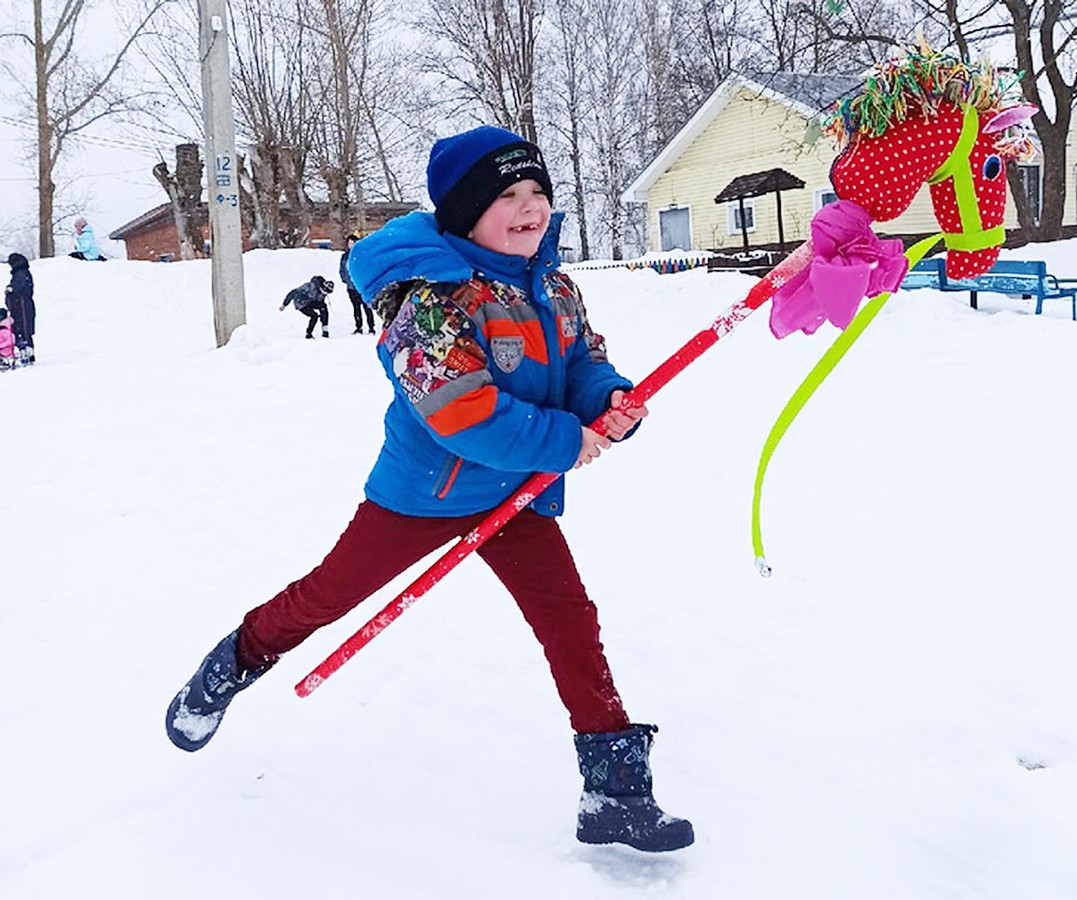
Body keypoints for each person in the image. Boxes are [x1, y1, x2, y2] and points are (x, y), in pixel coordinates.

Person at [165, 125, 693, 853]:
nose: (529, 208)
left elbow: (582, 363)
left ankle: (614, 789)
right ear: (465, 211)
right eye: (507, 195)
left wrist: (607, 402)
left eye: (537, 192)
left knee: (571, 619)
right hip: (424, 496)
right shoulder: (429, 303)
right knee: (327, 596)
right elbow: (462, 413)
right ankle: (237, 658)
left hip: (516, 495)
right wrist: (570, 440)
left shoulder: (551, 282)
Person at [339, 233, 375, 335]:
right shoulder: (345, 256)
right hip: (351, 287)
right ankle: (358, 327)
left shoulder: (363, 255)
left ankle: (371, 327)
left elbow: (368, 269)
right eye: (349, 243)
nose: (351, 245)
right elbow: (342, 270)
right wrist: (345, 279)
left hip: (363, 286)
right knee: (356, 308)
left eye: (353, 243)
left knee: (367, 307)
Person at [5, 253, 35, 366]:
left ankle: (25, 350)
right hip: (24, 306)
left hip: (21, 307)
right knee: (23, 328)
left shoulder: (21, 274)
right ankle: (28, 350)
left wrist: (10, 289)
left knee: (22, 328)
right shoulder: (24, 273)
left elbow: (18, 287)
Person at [0, 306, 15, 372]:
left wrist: (1, 345)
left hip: (6, 350)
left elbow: (12, 340)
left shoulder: (5, 330)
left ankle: (4, 362)